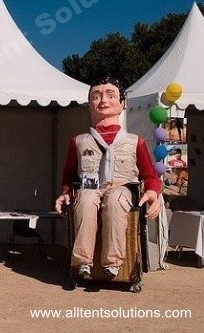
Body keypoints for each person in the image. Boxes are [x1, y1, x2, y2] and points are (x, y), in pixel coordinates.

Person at [55, 77, 162, 279]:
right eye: (96, 96)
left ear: (121, 104)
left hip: (122, 187)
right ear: (89, 105)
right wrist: (66, 193)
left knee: (115, 200)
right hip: (90, 187)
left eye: (110, 95)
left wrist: (152, 192)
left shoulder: (134, 142)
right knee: (85, 200)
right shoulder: (78, 141)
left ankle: (113, 262)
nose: (103, 100)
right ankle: (82, 261)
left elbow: (149, 174)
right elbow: (69, 174)